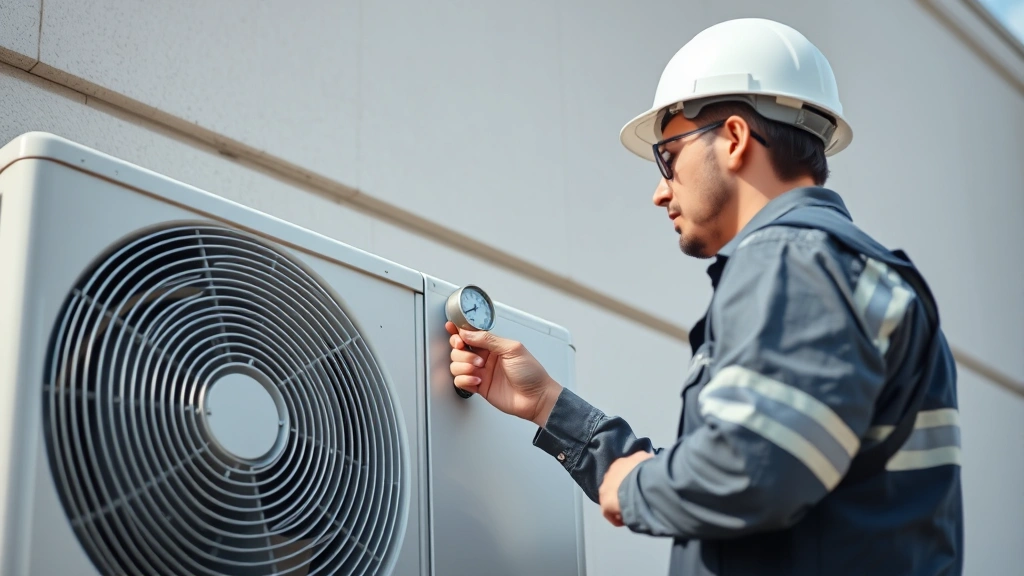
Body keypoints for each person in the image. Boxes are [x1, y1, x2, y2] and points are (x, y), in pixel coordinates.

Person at [446, 17, 963, 576]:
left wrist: (636, 487)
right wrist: (548, 404)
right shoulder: (849, 269)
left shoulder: (792, 260)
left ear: (736, 139)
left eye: (668, 156)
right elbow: (758, 466)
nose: (659, 190)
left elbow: (751, 473)